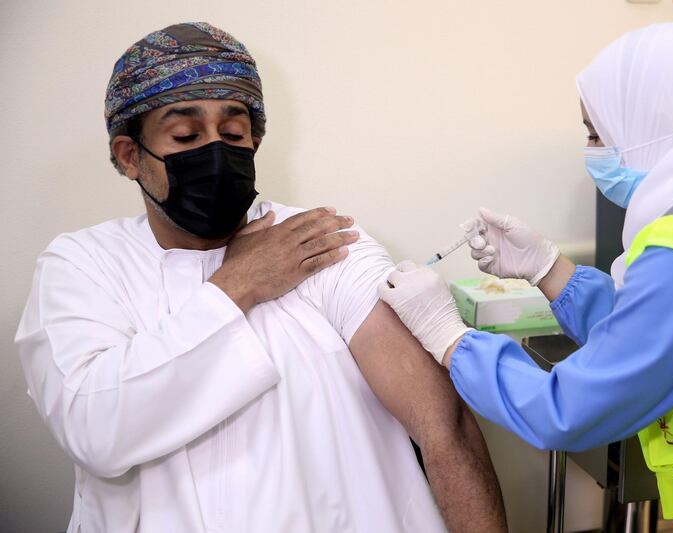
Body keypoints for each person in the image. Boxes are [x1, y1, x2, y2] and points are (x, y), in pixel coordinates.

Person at [15, 22, 507, 533]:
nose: (215, 151)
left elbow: (442, 426)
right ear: (130, 155)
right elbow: (95, 427)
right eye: (185, 135)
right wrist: (239, 283)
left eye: (233, 133)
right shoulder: (83, 264)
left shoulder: (320, 241)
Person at [380, 23, 673, 532]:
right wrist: (548, 269)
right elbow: (663, 332)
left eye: (597, 132)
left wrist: (447, 335)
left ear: (651, 122)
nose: (592, 152)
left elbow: (566, 411)